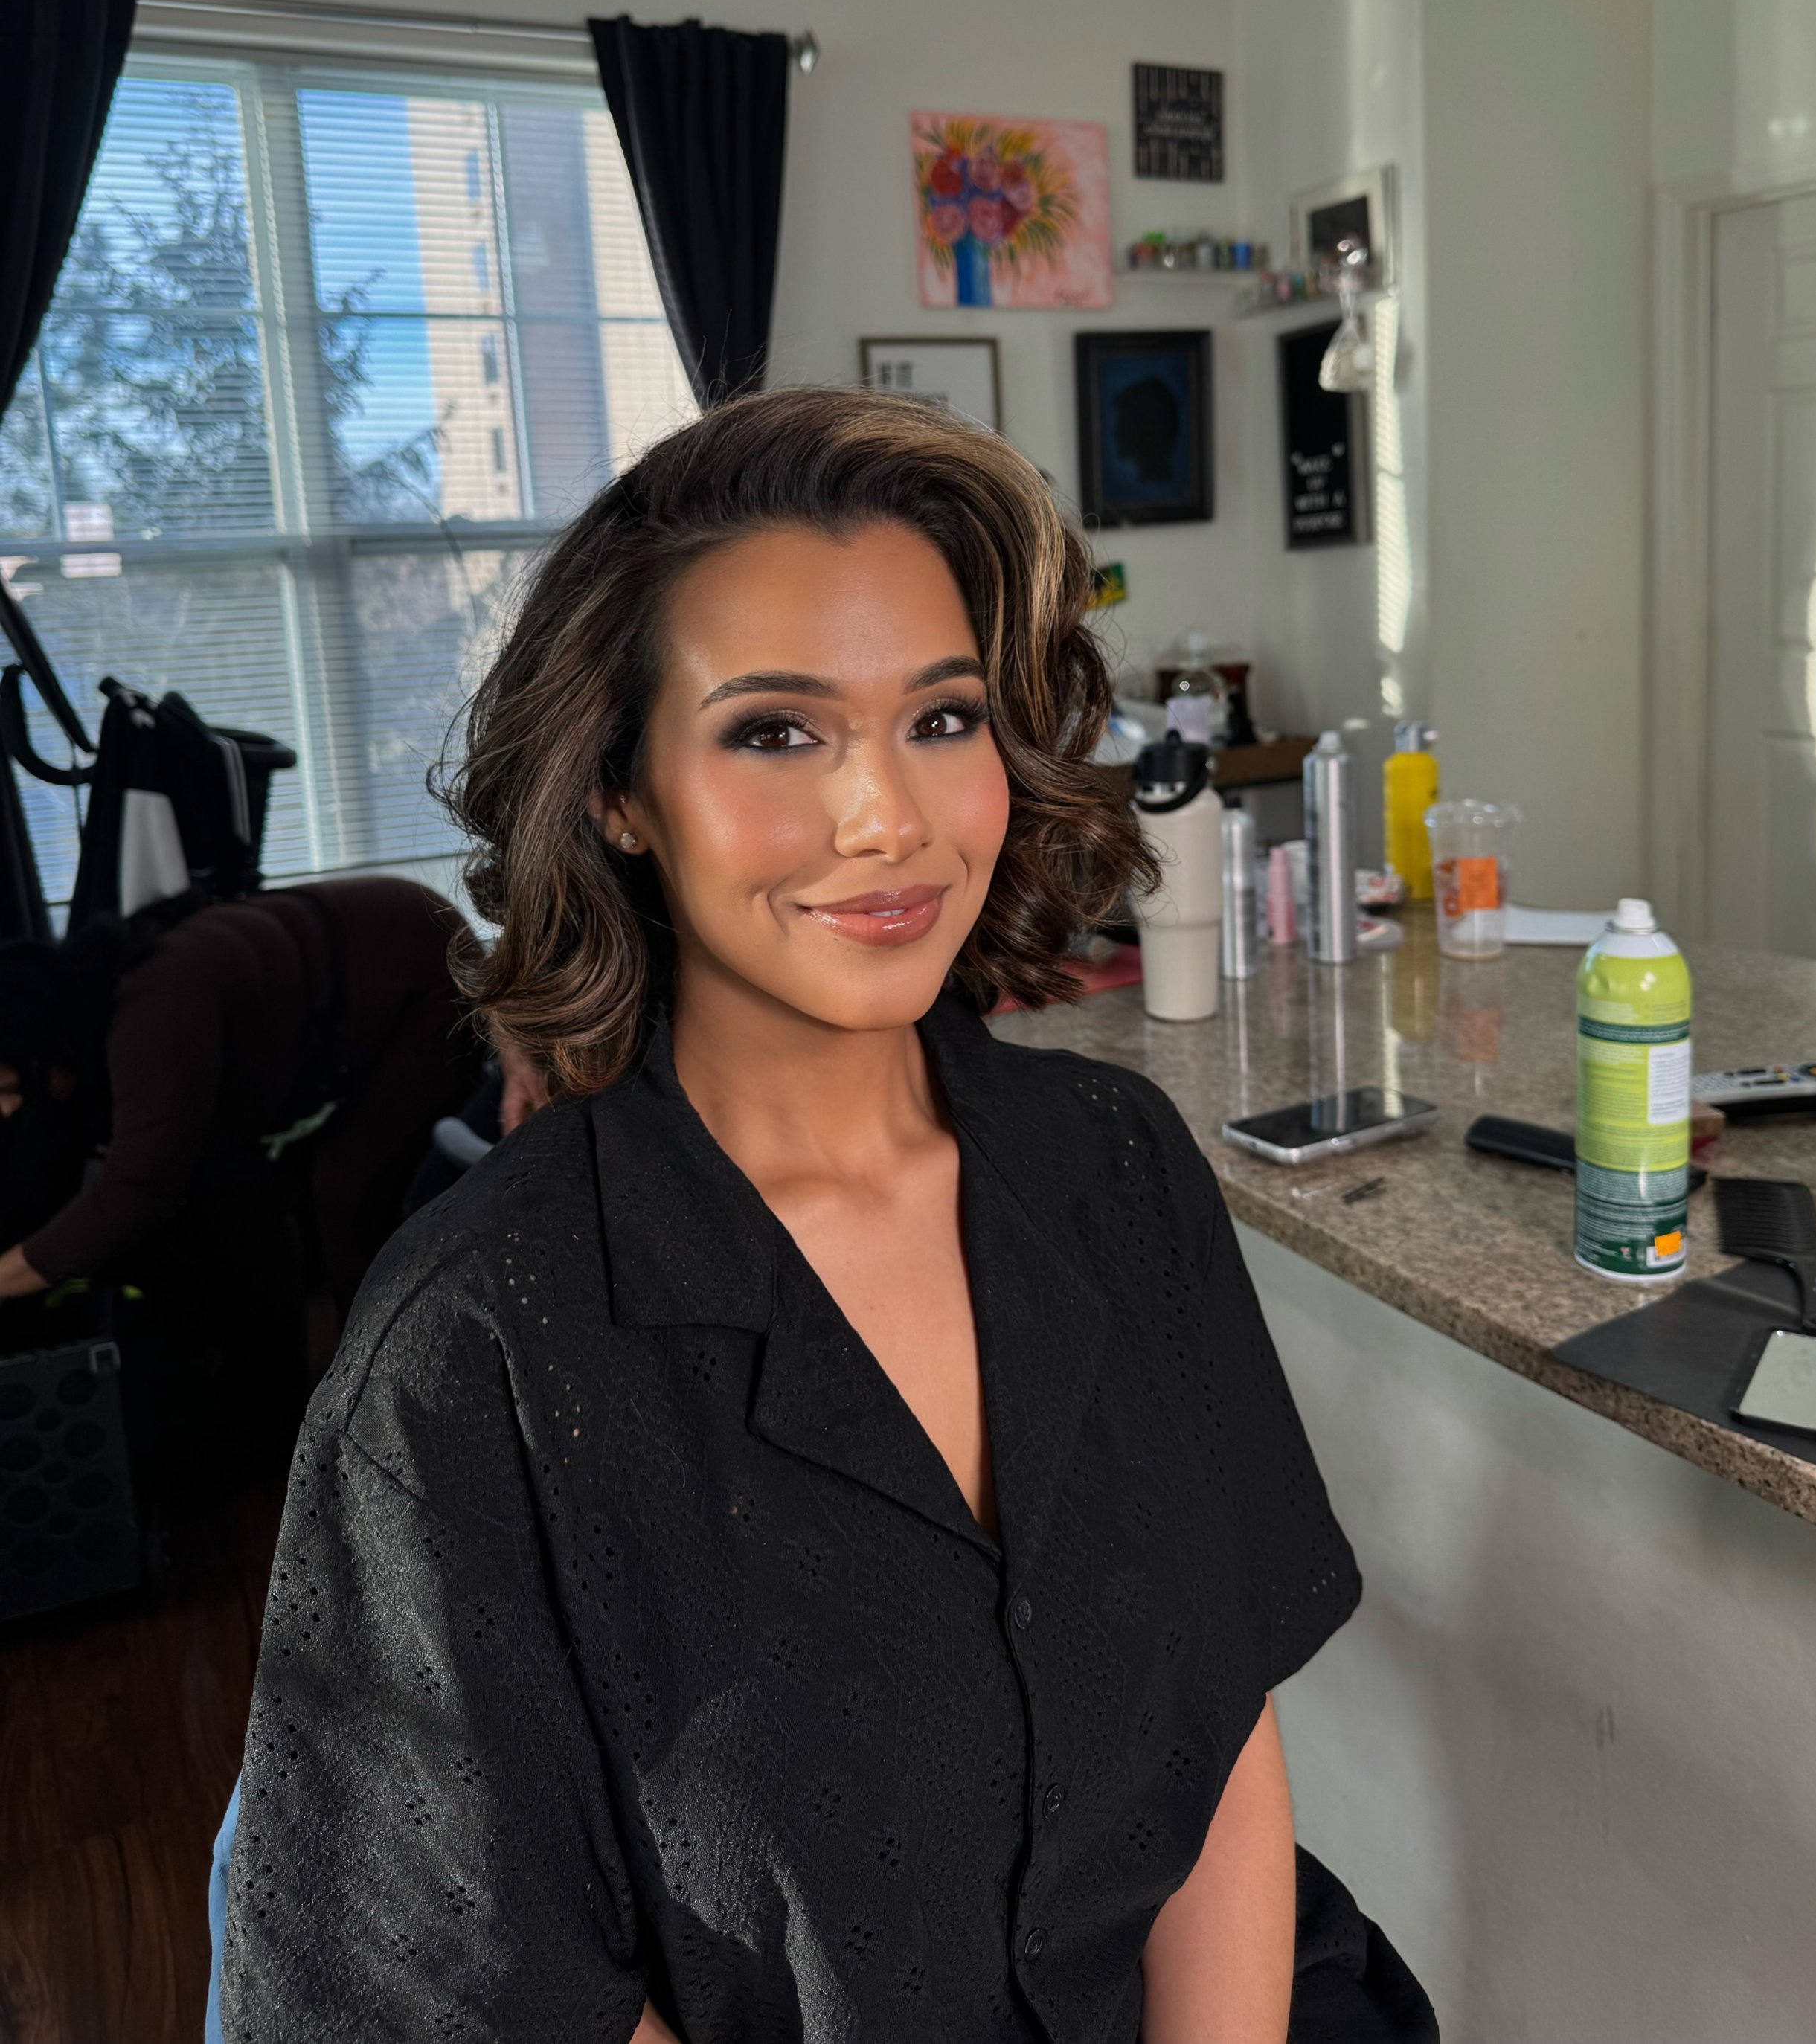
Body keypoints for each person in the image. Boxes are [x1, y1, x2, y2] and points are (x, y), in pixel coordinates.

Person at [220, 390, 1423, 2043]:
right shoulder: (475, 1357)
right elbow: (482, 1992)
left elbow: (1212, 1729)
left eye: (941, 717)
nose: (888, 820)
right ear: (621, 791)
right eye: (777, 732)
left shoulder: (1116, 1165)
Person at [0, 880, 482, 1458]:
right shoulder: (108, 1015)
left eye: (9, 1088)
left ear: (46, 1045)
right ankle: (285, 1415)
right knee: (241, 1200)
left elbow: (135, 1192)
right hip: (361, 965)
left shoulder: (155, 1009)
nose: (7, 1108)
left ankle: (403, 1405)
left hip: (422, 964)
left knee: (348, 1195)